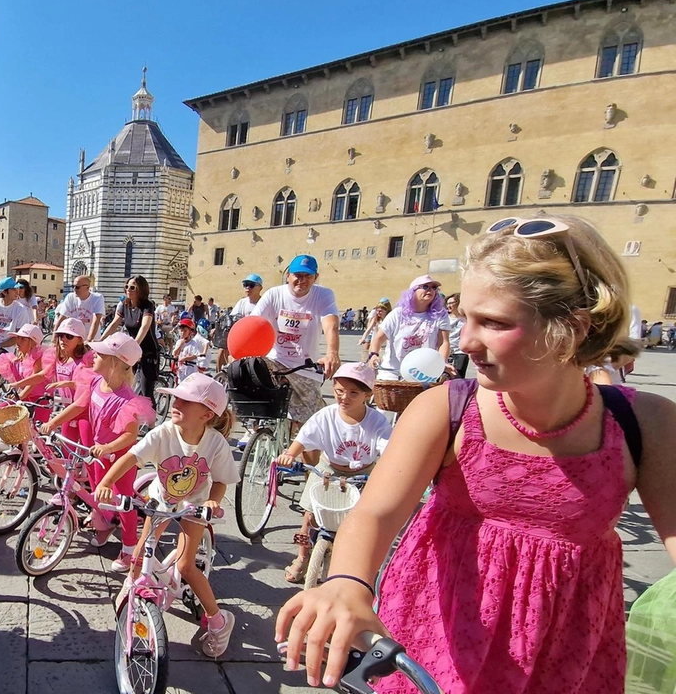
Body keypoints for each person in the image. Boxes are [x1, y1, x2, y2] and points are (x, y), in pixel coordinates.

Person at [276, 214, 676, 692]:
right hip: (438, 638)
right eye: (464, 316)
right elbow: (376, 513)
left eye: (493, 322)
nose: (466, 341)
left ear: (570, 328)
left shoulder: (642, 425)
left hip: (562, 655)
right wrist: (348, 582)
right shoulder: (448, 409)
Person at [94, 372, 238, 658]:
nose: (175, 404)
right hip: (161, 501)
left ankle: (219, 620)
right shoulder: (164, 433)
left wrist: (212, 501)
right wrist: (106, 482)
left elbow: (221, 480)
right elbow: (131, 457)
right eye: (175, 398)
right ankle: (133, 590)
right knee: (138, 557)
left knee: (186, 567)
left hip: (195, 504)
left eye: (185, 401)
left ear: (207, 414)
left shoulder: (215, 444)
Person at [40, 332, 155, 568]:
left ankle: (129, 547)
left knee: (124, 501)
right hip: (97, 452)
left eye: (100, 354)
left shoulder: (127, 399)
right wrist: (53, 422)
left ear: (115, 363)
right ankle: (105, 522)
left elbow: (130, 436)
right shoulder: (95, 382)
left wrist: (107, 447)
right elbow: (79, 405)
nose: (93, 356)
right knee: (98, 492)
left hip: (120, 457)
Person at [273, 363, 390, 583]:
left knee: (363, 518)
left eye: (353, 393)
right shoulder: (326, 415)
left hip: (361, 473)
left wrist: (389, 469)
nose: (344, 397)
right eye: (339, 391)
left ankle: (358, 562)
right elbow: (304, 437)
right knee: (309, 515)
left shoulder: (377, 421)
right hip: (328, 469)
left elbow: (389, 449)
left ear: (367, 394)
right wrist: (290, 454)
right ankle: (302, 556)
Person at [251, 255, 341, 426]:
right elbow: (253, 324)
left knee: (311, 428)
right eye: (297, 275)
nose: (302, 280)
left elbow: (331, 325)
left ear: (316, 277)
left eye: (308, 276)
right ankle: (256, 428)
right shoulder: (274, 294)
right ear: (288, 275)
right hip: (275, 360)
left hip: (305, 367)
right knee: (249, 378)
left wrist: (332, 353)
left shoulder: (323, 295)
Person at [366, 275, 451, 381]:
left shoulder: (440, 315)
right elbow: (378, 339)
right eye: (425, 286)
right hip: (393, 373)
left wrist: (442, 363)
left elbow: (443, 342)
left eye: (434, 288)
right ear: (413, 291)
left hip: (423, 375)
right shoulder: (398, 313)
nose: (430, 290)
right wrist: (374, 354)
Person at [101, 275, 160, 400]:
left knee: (146, 393)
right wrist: (100, 340)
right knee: (124, 385)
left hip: (147, 353)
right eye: (127, 286)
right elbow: (114, 324)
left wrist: (134, 346)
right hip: (131, 352)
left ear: (141, 290)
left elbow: (144, 327)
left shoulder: (147, 306)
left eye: (132, 287)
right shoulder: (124, 304)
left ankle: (151, 419)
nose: (128, 289)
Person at [40, 318, 96, 444]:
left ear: (80, 340)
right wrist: (18, 385)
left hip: (85, 414)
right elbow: (42, 375)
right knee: (67, 453)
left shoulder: (86, 361)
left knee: (88, 452)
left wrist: (69, 384)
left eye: (69, 336)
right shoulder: (59, 358)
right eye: (60, 336)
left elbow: (86, 388)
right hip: (67, 411)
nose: (63, 339)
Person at [54, 275, 106, 342]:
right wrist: (54, 340)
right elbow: (61, 319)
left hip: (91, 340)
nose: (74, 289)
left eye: (77, 287)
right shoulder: (70, 297)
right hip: (73, 341)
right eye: (73, 286)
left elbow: (96, 321)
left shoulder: (97, 298)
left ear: (87, 287)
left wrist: (88, 341)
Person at [443, 292, 467, 377]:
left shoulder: (466, 319)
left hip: (460, 352)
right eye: (447, 303)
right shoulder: (445, 319)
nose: (448, 306)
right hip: (447, 351)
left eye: (451, 303)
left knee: (458, 376)